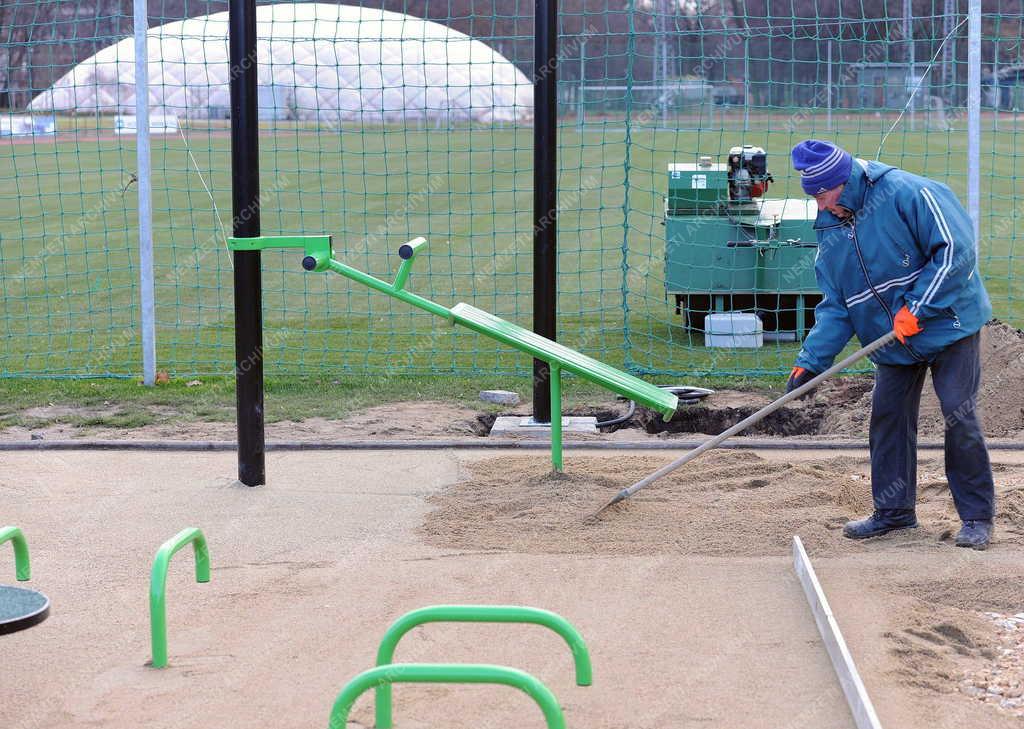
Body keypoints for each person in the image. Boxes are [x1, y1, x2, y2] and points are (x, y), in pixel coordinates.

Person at [787, 139, 995, 550]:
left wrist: (917, 307)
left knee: (959, 414)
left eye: (824, 195)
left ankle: (976, 517)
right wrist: (810, 361)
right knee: (887, 419)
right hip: (893, 340)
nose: (821, 206)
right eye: (813, 197)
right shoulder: (829, 231)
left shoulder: (910, 192)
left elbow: (957, 251)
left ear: (842, 183)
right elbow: (837, 308)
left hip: (948, 325)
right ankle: (894, 512)